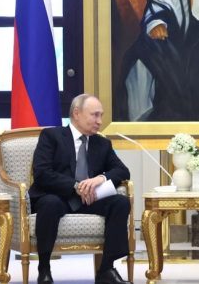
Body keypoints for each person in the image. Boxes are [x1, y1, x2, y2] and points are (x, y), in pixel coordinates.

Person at [29, 94, 132, 284]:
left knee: (120, 202)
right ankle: (44, 268)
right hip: (58, 196)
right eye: (95, 115)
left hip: (89, 199)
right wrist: (75, 186)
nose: (100, 121)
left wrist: (100, 178)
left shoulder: (102, 143)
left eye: (101, 115)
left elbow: (122, 171)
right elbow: (42, 173)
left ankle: (106, 269)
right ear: (76, 113)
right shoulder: (52, 136)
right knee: (49, 204)